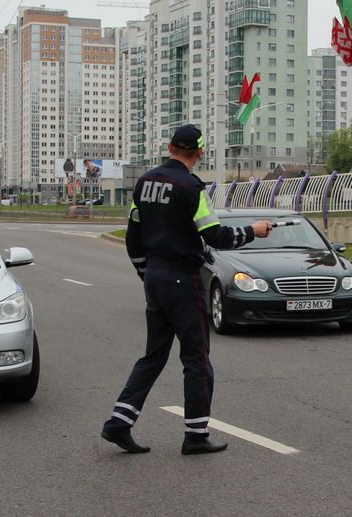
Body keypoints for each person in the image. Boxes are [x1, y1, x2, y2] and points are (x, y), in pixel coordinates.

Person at [101, 124, 273, 455]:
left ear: (169, 146)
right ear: (199, 152)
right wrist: (253, 231)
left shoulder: (145, 182)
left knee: (153, 355)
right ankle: (196, 435)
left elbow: (133, 235)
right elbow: (216, 236)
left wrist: (145, 271)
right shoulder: (191, 187)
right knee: (196, 358)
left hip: (155, 277)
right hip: (183, 278)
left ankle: (118, 423)